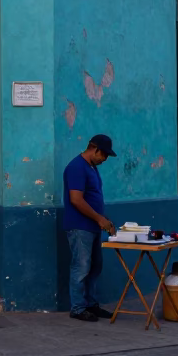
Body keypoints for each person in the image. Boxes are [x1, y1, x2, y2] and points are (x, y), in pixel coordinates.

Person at [63, 134, 116, 322]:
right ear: (94, 148)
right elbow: (76, 200)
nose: (105, 159)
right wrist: (99, 219)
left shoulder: (92, 168)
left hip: (93, 225)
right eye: (104, 154)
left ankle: (91, 304)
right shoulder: (76, 167)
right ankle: (77, 308)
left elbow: (93, 197)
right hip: (80, 227)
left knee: (95, 267)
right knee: (81, 267)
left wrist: (104, 218)